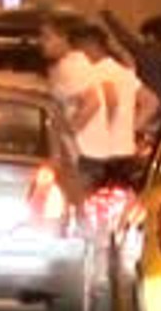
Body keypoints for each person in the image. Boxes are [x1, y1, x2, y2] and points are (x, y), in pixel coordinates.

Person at [79, 25, 159, 184]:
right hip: (125, 151)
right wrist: (131, 128)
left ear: (90, 46)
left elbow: (111, 99)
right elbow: (151, 102)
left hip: (98, 154)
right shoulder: (121, 71)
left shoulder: (97, 71)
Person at [39, 17, 115, 185]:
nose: (42, 42)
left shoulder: (73, 67)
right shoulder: (69, 64)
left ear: (64, 38)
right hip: (84, 153)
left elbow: (93, 102)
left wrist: (67, 133)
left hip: (83, 155)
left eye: (47, 37)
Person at [101, 8, 161, 120]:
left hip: (144, 111)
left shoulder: (144, 52)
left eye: (143, 36)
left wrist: (107, 15)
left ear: (150, 36)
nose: (142, 39)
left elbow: (124, 37)